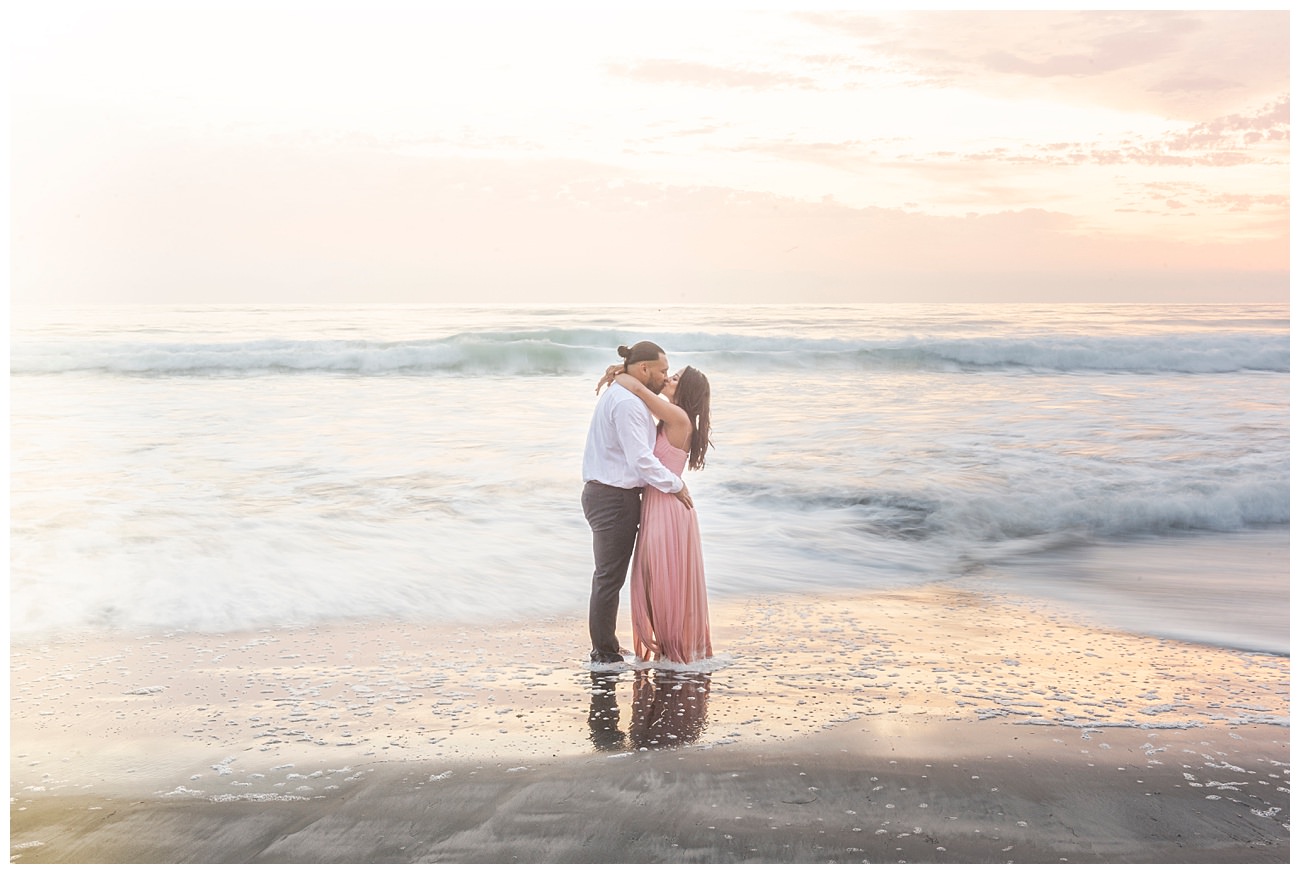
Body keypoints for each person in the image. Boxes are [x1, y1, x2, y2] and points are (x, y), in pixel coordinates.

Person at [581, 341, 693, 666]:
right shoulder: (628, 403)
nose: (665, 377)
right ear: (644, 369)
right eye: (663, 371)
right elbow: (641, 460)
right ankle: (604, 654)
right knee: (608, 577)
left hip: (611, 495)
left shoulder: (626, 395)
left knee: (609, 576)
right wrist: (676, 485)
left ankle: (608, 647)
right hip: (613, 498)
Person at [597, 361, 713, 664]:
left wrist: (622, 374)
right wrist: (623, 372)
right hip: (660, 503)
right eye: (669, 375)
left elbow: (638, 389)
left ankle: (671, 650)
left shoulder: (677, 416)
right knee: (657, 577)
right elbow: (639, 397)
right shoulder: (671, 416)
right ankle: (667, 648)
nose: (668, 380)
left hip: (666, 506)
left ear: (685, 389)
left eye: (674, 378)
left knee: (662, 578)